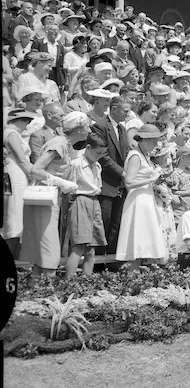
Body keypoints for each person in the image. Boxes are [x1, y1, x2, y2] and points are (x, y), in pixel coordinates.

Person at [19, 111, 88, 283]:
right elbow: (36, 170)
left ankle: (35, 290)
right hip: (44, 198)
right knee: (49, 246)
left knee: (43, 246)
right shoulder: (60, 143)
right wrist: (61, 182)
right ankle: (48, 292)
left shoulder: (65, 144)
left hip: (50, 198)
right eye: (86, 126)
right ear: (78, 128)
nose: (88, 130)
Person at [115, 123, 168, 268]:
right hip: (137, 201)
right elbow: (129, 182)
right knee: (136, 241)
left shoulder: (144, 155)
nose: (155, 144)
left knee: (143, 241)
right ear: (143, 140)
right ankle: (132, 276)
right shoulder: (135, 156)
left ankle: (137, 278)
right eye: (153, 141)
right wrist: (151, 179)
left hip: (146, 199)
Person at [64, 133, 108, 279]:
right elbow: (68, 187)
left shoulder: (98, 166)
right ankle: (69, 281)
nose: (99, 156)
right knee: (79, 245)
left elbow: (98, 186)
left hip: (94, 201)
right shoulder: (76, 164)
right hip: (80, 200)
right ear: (88, 148)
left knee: (91, 248)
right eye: (97, 153)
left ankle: (87, 280)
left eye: (102, 153)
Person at [91, 95, 130, 255]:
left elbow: (126, 153)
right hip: (106, 184)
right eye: (125, 110)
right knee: (103, 222)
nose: (127, 114)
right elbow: (102, 156)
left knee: (116, 223)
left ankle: (111, 261)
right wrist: (123, 173)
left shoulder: (122, 129)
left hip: (120, 186)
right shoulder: (99, 126)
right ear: (114, 109)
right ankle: (99, 261)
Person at [1, 109, 35, 257]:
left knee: (18, 214)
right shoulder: (11, 133)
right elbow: (21, 158)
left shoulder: (13, 134)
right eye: (25, 120)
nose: (27, 124)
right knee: (14, 215)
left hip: (18, 174)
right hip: (15, 174)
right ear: (19, 120)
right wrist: (33, 174)